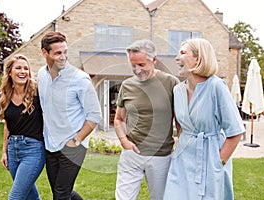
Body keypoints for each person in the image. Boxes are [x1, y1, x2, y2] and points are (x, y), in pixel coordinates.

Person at [163, 38, 245, 200]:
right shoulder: (177, 90)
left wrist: (218, 163)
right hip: (182, 161)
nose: (176, 58)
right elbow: (180, 127)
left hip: (210, 159)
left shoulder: (216, 86)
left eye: (183, 53)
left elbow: (235, 132)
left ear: (198, 58)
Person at [37, 31, 102, 200]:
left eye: (65, 52)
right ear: (45, 53)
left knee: (61, 195)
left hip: (73, 146)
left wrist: (76, 140)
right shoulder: (42, 75)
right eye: (58, 53)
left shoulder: (80, 79)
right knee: (62, 192)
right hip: (51, 144)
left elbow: (95, 115)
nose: (63, 57)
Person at [114, 39, 179, 200]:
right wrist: (124, 141)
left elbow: (180, 121)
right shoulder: (127, 85)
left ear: (154, 60)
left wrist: (181, 143)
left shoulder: (171, 83)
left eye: (141, 65)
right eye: (133, 65)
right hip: (131, 154)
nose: (137, 70)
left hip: (161, 156)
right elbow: (119, 119)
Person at [0, 54, 45, 200]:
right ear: (10, 72)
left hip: (33, 150)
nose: (22, 71)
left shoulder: (37, 92)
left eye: (26, 68)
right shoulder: (3, 96)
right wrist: (4, 152)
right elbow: (7, 125)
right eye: (18, 68)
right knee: (30, 196)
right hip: (13, 150)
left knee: (15, 197)